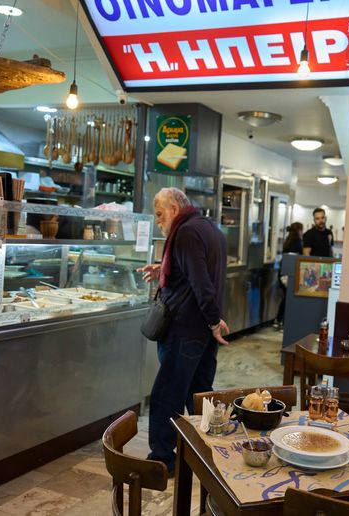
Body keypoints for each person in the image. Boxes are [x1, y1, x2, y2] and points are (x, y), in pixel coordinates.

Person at [137, 187, 229, 475]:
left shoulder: (186, 232)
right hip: (202, 331)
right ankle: (207, 450)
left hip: (185, 329)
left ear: (174, 209)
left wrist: (214, 321)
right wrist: (163, 269)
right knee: (199, 395)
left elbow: (202, 283)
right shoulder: (210, 229)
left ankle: (162, 459)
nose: (158, 222)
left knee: (167, 394)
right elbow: (197, 275)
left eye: (160, 215)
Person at [274, 222, 303, 330]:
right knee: (289, 299)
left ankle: (278, 320)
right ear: (299, 230)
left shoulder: (288, 240)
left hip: (283, 273)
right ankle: (283, 322)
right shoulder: (298, 242)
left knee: (286, 298)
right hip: (290, 274)